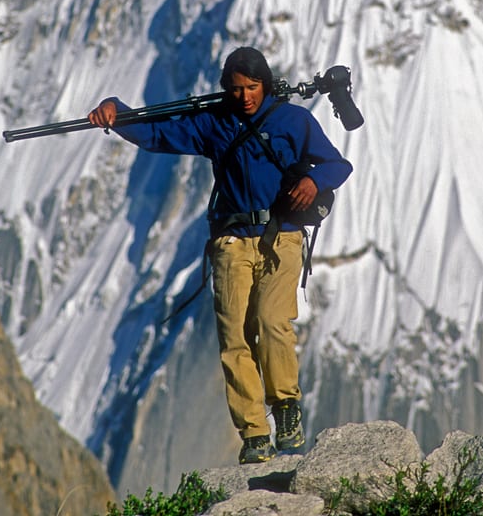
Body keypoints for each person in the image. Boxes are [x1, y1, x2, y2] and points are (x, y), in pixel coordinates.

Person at [88, 46, 353, 464]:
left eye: (251, 87)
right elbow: (159, 133)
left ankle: (285, 407)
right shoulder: (214, 124)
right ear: (225, 89)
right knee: (234, 338)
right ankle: (254, 434)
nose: (244, 96)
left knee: (271, 320)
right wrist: (117, 112)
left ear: (265, 84)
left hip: (282, 235)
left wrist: (314, 182)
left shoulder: (293, 120)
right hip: (231, 242)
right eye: (236, 88)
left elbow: (337, 164)